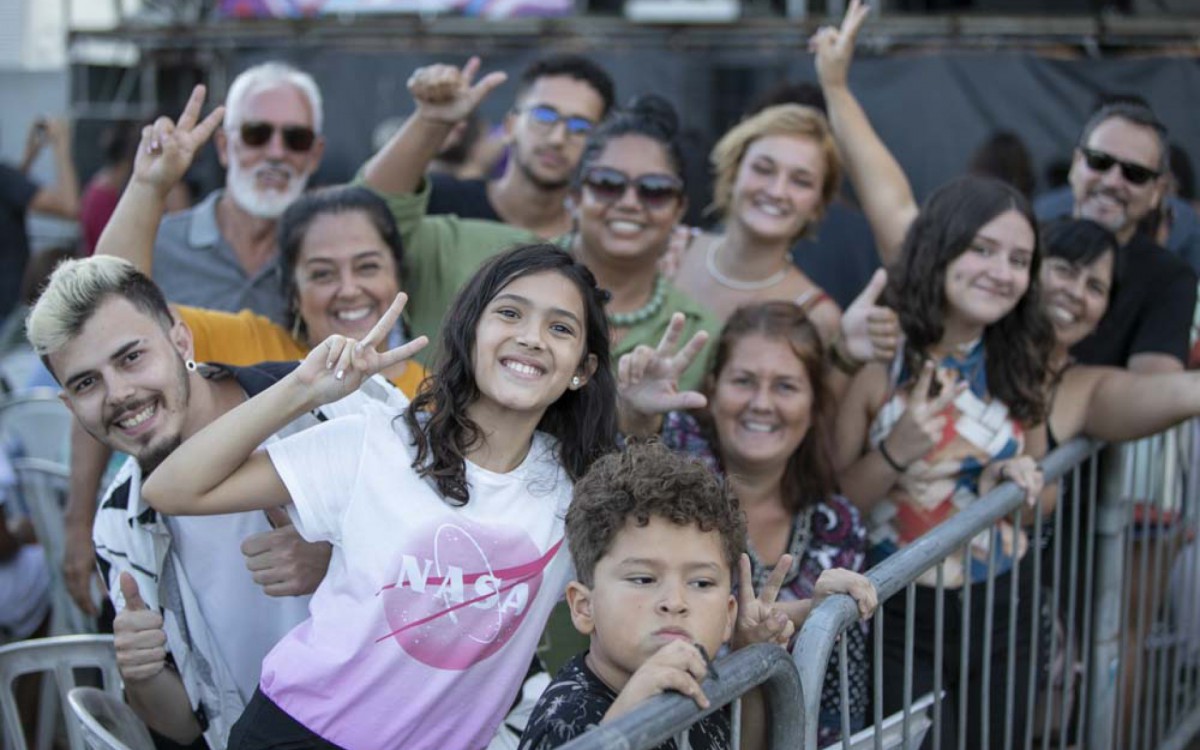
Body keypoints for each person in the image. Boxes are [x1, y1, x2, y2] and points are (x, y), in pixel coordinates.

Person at [139, 243, 619, 750]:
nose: (531, 338)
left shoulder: (579, 488)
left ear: (582, 371)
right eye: (509, 313)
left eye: (560, 328)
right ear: (471, 330)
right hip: (298, 735)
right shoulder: (376, 440)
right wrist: (303, 389)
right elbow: (171, 489)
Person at [59, 87, 426, 622]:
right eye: (322, 273)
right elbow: (106, 306)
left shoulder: (433, 391)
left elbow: (440, 541)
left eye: (368, 266)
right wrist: (150, 184)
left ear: (398, 274)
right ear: (292, 290)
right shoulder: (254, 348)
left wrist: (335, 558)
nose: (349, 289)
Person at [25, 255, 404, 749]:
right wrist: (141, 675)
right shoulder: (119, 526)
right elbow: (184, 724)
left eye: (131, 357)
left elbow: (474, 551)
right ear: (69, 406)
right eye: (86, 383)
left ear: (180, 340)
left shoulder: (331, 401)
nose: (118, 393)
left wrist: (341, 563)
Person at [362, 58, 719, 390]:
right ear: (577, 196)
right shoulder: (477, 253)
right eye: (607, 183)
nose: (629, 202)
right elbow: (365, 223)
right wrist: (430, 123)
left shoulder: (697, 328)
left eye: (654, 190)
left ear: (679, 208)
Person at [617, 303, 877, 744]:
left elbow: (835, 695)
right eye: (743, 382)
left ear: (815, 403)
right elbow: (627, 468)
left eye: (786, 386)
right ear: (714, 387)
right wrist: (636, 415)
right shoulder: (671, 460)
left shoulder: (837, 524)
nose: (761, 404)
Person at [520, 440, 810, 750]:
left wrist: (752, 655)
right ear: (583, 607)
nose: (674, 602)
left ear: (728, 615)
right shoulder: (567, 722)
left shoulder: (695, 681)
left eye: (701, 583)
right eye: (644, 579)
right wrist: (625, 723)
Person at [151, 62, 325, 324]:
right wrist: (146, 185)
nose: (276, 153)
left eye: (296, 138)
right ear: (224, 146)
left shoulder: (328, 257)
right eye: (256, 134)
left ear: (314, 155)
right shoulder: (160, 245)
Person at [1030, 98, 1196, 372]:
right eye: (1099, 162)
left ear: (1157, 191)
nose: (1112, 181)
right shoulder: (1026, 242)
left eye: (1135, 174)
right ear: (1075, 165)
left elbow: (1150, 393)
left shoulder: (1170, 279)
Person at [671, 105, 844, 339]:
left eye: (801, 181)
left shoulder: (818, 316)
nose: (777, 191)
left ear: (817, 205)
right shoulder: (671, 252)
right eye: (763, 169)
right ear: (733, 174)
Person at [425, 54, 615, 239]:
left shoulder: (597, 241)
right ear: (510, 126)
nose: (557, 139)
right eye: (544, 116)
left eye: (580, 127)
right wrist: (425, 120)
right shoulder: (439, 202)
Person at [1, 117, 79, 322]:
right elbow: (69, 207)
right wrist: (61, 146)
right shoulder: (4, 178)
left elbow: (10, 200)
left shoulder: (7, 181)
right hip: (9, 311)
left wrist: (30, 156)